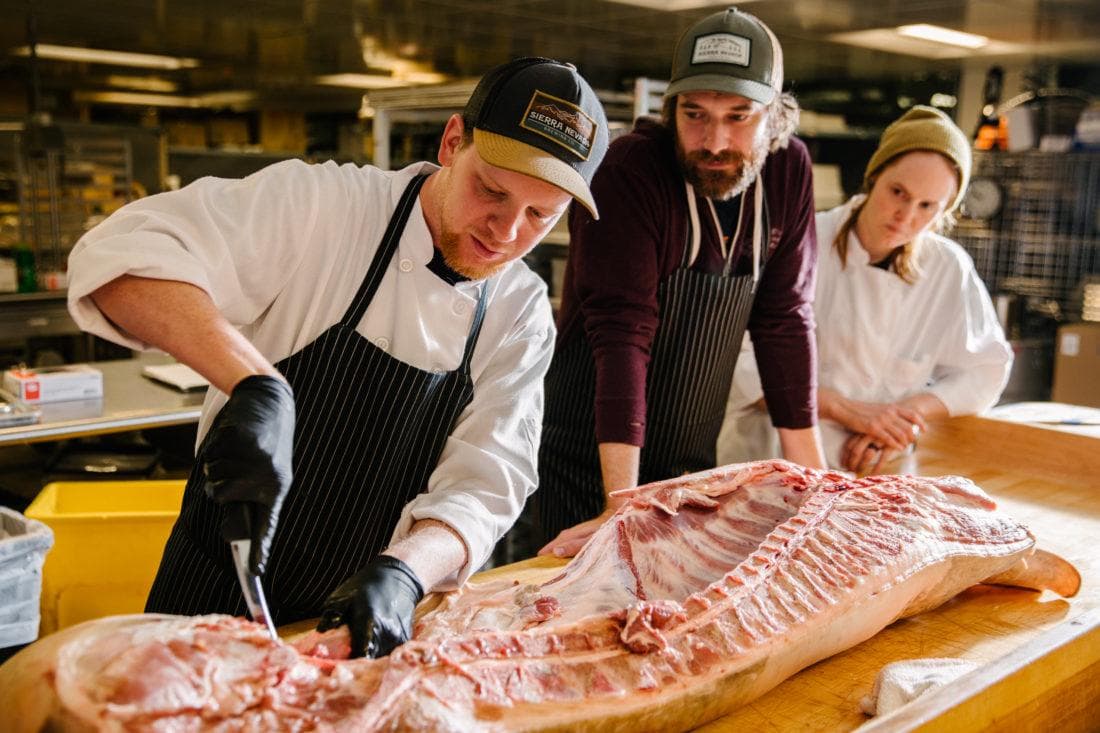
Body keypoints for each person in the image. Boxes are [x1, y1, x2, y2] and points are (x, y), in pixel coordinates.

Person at [65, 57, 609, 659]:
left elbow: (486, 486)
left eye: (540, 215)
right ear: (453, 141)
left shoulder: (521, 312)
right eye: (493, 190)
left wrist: (406, 572)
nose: (506, 233)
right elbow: (119, 256)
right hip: (213, 591)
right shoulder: (325, 208)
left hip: (360, 620)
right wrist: (252, 383)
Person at [534, 7, 826, 559]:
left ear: (776, 116)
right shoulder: (629, 172)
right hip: (589, 461)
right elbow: (623, 333)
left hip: (689, 463)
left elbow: (784, 319)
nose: (714, 141)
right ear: (670, 110)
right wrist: (621, 503)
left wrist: (818, 485)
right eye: (695, 114)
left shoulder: (789, 171)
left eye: (739, 116)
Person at [719, 106, 1013, 474]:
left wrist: (900, 420)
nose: (906, 216)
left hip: (879, 468)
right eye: (898, 192)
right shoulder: (803, 239)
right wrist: (840, 409)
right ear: (874, 177)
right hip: (774, 461)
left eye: (927, 206)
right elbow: (736, 360)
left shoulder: (948, 268)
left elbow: (986, 370)